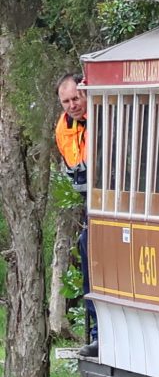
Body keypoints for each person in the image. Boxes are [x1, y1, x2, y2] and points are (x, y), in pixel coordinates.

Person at [54, 73, 90, 351]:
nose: (72, 105)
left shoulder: (101, 118)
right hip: (86, 197)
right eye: (66, 101)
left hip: (108, 196)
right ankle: (94, 329)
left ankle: (98, 330)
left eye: (76, 98)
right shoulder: (63, 128)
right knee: (85, 248)